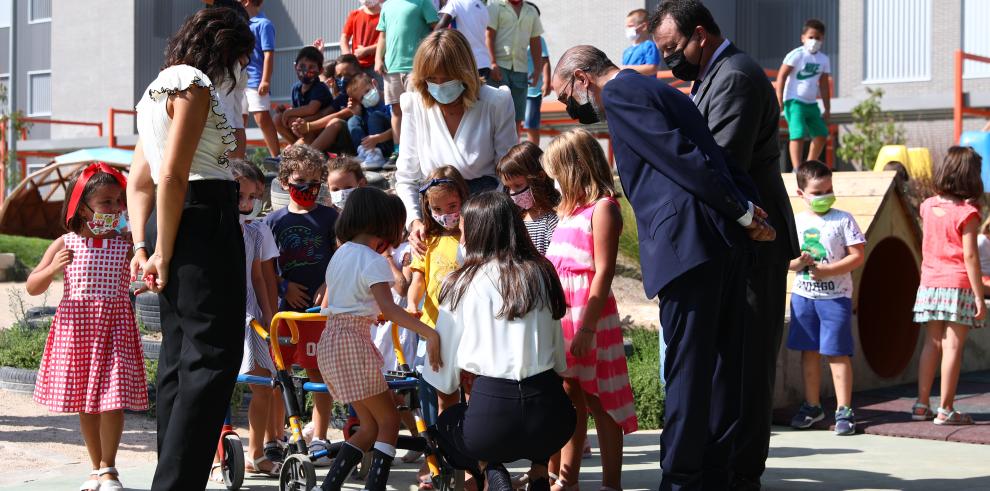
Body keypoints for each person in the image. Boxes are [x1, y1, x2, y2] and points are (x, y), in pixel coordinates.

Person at [550, 45, 776, 491]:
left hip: (686, 247)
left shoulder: (620, 94)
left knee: (690, 371)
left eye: (566, 95)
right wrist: (747, 210)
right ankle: (717, 474)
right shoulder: (662, 91)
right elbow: (716, 155)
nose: (572, 107)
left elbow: (680, 157)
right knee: (724, 366)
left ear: (582, 79)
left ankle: (682, 479)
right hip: (720, 241)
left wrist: (744, 211)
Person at [651, 3, 799, 487]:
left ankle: (740, 472)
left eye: (673, 49)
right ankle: (724, 465)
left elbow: (719, 162)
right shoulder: (715, 73)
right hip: (736, 238)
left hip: (756, 237)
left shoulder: (733, 76)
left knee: (748, 361)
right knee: (729, 360)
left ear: (700, 35)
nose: (670, 60)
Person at [126, 8, 252, 489]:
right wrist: (162, 250)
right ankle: (176, 484)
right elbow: (175, 175)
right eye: (242, 57)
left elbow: (141, 179)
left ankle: (171, 477)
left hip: (169, 221)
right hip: (203, 217)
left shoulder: (156, 90)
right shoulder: (196, 84)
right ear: (227, 49)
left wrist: (145, 245)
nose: (242, 69)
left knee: (180, 360)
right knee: (213, 359)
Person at [423, 191, 574, 491]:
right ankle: (540, 471)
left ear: (477, 231)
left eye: (464, 228)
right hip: (552, 417)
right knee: (542, 409)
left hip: (491, 418)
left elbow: (443, 380)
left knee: (448, 424)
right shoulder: (542, 273)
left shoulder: (462, 283)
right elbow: (559, 360)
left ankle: (490, 468)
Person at [315, 187, 443, 490]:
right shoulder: (372, 260)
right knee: (387, 422)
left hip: (331, 342)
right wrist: (429, 333)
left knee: (369, 427)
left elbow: (340, 304)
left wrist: (371, 312)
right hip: (354, 344)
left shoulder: (341, 254)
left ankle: (328, 486)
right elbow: (389, 307)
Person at [30, 164, 147, 491]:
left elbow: (143, 277)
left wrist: (145, 277)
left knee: (112, 399)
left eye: (118, 202)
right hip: (77, 333)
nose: (116, 209)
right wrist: (52, 268)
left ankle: (110, 468)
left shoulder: (127, 245)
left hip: (115, 329)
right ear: (83, 207)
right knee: (86, 402)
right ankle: (95, 468)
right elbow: (32, 286)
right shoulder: (65, 243)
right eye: (106, 203)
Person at [542, 129, 637, 490]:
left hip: (590, 317)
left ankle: (612, 483)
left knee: (602, 402)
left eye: (556, 173)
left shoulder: (603, 209)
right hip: (563, 317)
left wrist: (586, 328)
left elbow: (604, 272)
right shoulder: (567, 212)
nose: (553, 181)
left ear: (573, 169)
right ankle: (569, 480)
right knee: (571, 400)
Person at [395, 29, 517, 255]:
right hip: (436, 217)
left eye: (447, 78)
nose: (439, 85)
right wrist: (414, 222)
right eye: (432, 79)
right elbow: (406, 176)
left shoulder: (496, 102)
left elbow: (507, 171)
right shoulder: (415, 104)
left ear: (464, 73)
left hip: (486, 214)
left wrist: (482, 218)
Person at [265, 144, 338, 465]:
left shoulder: (330, 217)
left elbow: (342, 256)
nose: (307, 189)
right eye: (299, 182)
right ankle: (277, 438)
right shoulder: (273, 221)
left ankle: (320, 437)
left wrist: (327, 284)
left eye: (314, 182)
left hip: (319, 311)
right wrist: (284, 285)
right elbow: (265, 267)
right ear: (284, 182)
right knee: (280, 374)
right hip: (285, 310)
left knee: (318, 373)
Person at [786, 160, 865, 436]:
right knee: (809, 351)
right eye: (818, 192)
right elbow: (788, 262)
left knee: (837, 353)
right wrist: (799, 263)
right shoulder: (795, 222)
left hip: (836, 298)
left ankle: (844, 410)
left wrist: (828, 270)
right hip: (803, 297)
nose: (825, 196)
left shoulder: (843, 219)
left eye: (829, 189)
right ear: (801, 193)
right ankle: (812, 405)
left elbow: (857, 256)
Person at [912, 146, 986, 426]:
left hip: (930, 282)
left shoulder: (928, 205)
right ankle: (946, 408)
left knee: (931, 344)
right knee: (953, 347)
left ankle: (921, 405)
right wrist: (980, 297)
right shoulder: (968, 212)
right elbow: (970, 256)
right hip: (957, 283)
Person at [233, 161, 284, 477]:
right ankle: (215, 454)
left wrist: (269, 316)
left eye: (253, 198)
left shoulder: (254, 231)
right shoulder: (210, 226)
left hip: (251, 315)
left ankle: (256, 453)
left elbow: (261, 278)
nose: (247, 205)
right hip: (221, 312)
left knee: (264, 384)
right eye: (242, 196)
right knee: (217, 388)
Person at [376, 0, 439, 167]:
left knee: (420, 108)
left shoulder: (423, 2)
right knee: (396, 111)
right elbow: (382, 35)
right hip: (391, 68)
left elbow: (437, 28)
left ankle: (423, 150)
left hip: (416, 67)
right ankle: (398, 151)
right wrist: (378, 59)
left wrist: (429, 57)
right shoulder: (387, 5)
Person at [775, 19, 831, 167]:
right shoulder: (796, 54)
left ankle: (809, 165)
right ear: (803, 38)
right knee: (798, 133)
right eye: (811, 37)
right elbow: (781, 75)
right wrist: (779, 98)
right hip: (794, 101)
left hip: (812, 103)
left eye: (818, 38)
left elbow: (824, 85)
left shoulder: (824, 59)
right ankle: (797, 168)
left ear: (823, 39)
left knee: (821, 134)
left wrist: (828, 108)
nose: (814, 41)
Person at [485, 0, 544, 125]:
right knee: (496, 114)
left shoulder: (531, 11)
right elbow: (489, 36)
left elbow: (535, 42)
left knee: (517, 117)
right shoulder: (495, 6)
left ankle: (515, 145)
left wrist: (538, 69)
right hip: (499, 68)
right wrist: (492, 62)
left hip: (521, 70)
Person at [497, 142, 559, 255]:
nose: (513, 193)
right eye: (508, 187)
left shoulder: (554, 221)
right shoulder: (514, 220)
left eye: (518, 185)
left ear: (540, 177)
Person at [241, 0, 280, 157]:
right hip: (238, 80)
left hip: (255, 79)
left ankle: (276, 156)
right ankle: (239, 157)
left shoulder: (264, 24)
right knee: (239, 120)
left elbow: (268, 54)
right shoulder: (241, 24)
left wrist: (265, 80)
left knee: (262, 118)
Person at [274, 46, 335, 145]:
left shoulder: (320, 87)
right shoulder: (295, 88)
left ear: (320, 71)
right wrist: (285, 110)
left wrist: (288, 113)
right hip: (301, 126)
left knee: (293, 120)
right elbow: (296, 109)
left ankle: (301, 150)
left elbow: (311, 109)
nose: (306, 70)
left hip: (319, 126)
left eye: (311, 67)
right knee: (278, 118)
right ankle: (295, 146)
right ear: (295, 66)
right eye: (302, 66)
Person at [347, 72, 394, 169]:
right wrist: (357, 112)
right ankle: (365, 153)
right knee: (353, 120)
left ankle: (376, 155)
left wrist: (378, 138)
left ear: (374, 83)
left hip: (388, 143)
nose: (366, 97)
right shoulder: (366, 107)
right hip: (372, 144)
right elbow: (361, 125)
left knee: (375, 116)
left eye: (367, 91)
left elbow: (399, 128)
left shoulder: (392, 101)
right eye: (361, 98)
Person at [436, 0, 492, 79]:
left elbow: (439, 29)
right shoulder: (483, 7)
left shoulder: (455, 3)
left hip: (464, 64)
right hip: (484, 63)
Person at [522, 2, 550, 146]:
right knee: (514, 121)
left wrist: (546, 82)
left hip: (532, 90)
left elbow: (545, 60)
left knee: (531, 123)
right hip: (517, 85)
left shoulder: (539, 40)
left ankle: (533, 152)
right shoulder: (516, 37)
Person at [340, 0, 383, 82]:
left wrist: (366, 51)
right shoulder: (355, 14)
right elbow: (344, 38)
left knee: (380, 93)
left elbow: (387, 41)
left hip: (377, 66)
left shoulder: (385, 15)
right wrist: (348, 56)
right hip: (356, 67)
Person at [621, 9, 660, 76]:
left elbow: (652, 68)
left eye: (630, 26)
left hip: (645, 85)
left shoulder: (649, 46)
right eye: (626, 27)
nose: (627, 29)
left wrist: (625, 69)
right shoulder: (626, 51)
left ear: (644, 26)